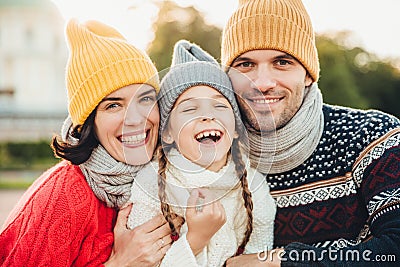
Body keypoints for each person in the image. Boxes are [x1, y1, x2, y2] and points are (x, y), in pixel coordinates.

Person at [221, 0, 400, 266]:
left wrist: (276, 261)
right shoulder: (210, 156)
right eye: (245, 65)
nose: (261, 83)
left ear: (308, 74)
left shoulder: (373, 137)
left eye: (282, 62)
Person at [0, 19, 177, 266]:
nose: (136, 119)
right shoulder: (62, 198)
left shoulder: (165, 182)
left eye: (145, 99)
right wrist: (120, 263)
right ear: (89, 121)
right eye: (113, 105)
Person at [126, 40, 276, 267]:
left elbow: (258, 255)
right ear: (167, 133)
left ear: (235, 128)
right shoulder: (151, 186)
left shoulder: (253, 186)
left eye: (220, 106)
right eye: (189, 109)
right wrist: (196, 239)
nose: (207, 116)